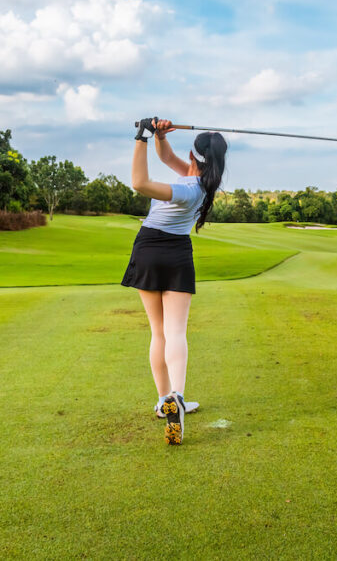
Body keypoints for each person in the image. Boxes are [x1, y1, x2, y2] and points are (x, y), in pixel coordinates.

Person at [122, 117, 227, 445]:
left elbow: (139, 183)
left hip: (150, 248)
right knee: (176, 332)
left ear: (194, 158)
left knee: (158, 332)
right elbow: (167, 159)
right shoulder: (204, 183)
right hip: (178, 253)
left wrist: (141, 137)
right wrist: (160, 136)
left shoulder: (183, 188)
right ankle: (176, 397)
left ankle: (165, 400)